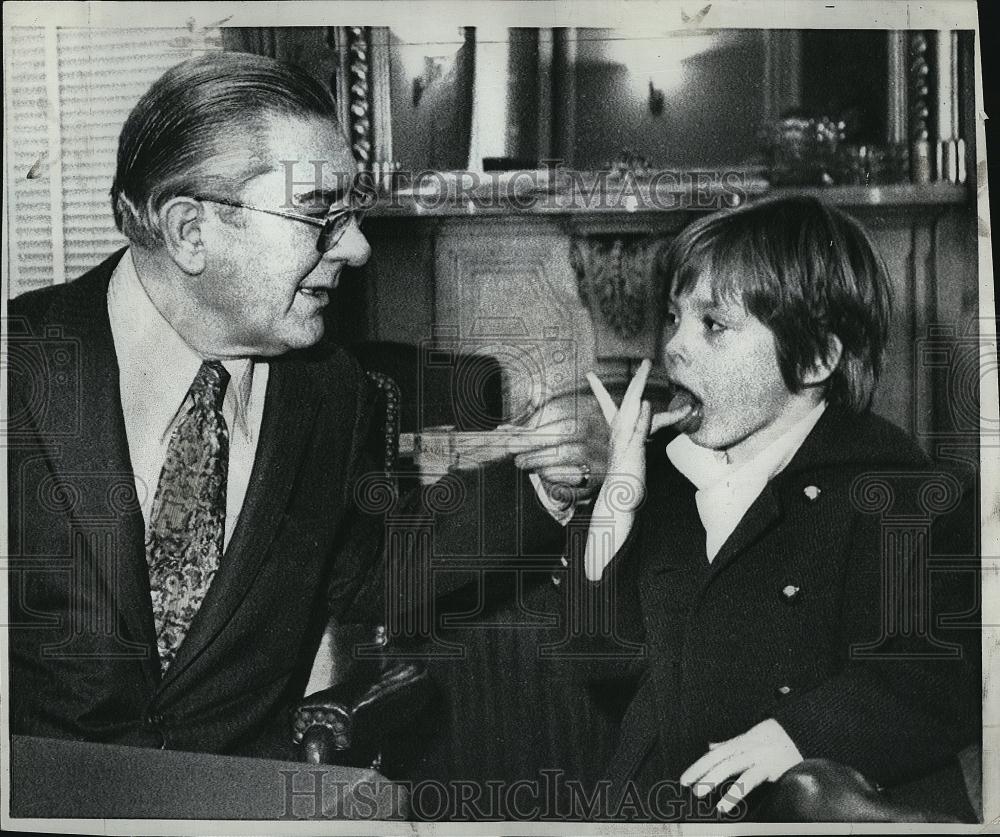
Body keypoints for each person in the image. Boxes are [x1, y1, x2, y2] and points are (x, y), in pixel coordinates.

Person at [6, 51, 603, 758]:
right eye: (319, 213)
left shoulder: (330, 391)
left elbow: (371, 571)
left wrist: (544, 483)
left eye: (349, 213)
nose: (355, 246)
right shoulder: (21, 368)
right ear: (191, 231)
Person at [582, 196, 981, 821]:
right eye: (673, 318)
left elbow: (928, 683)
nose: (674, 349)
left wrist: (798, 736)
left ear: (816, 359)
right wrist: (619, 489)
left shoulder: (894, 489)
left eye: (713, 325)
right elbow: (600, 658)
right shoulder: (667, 472)